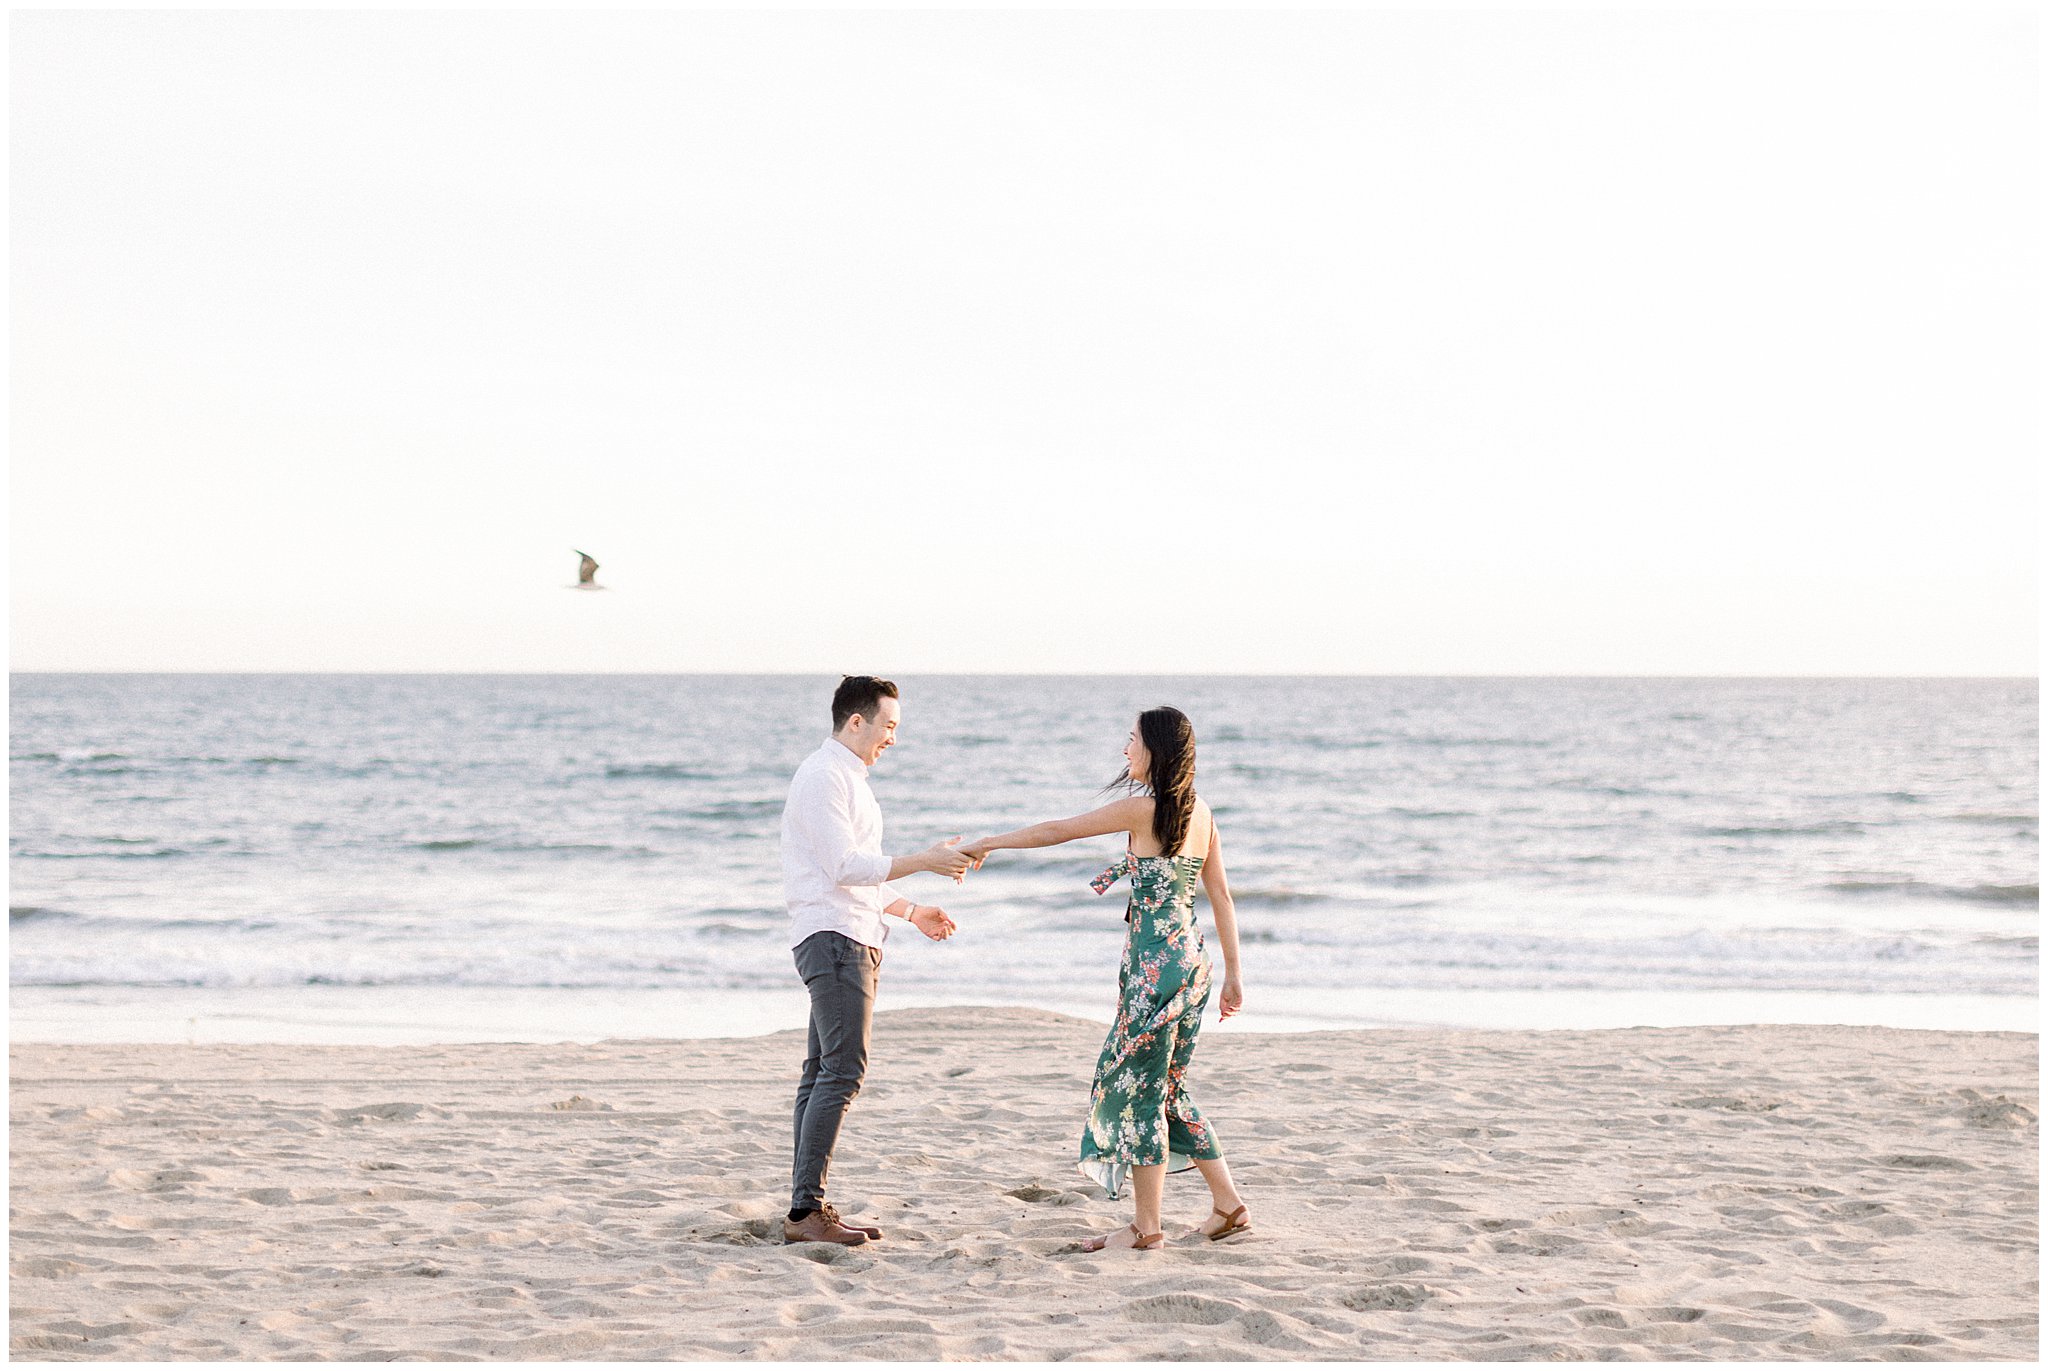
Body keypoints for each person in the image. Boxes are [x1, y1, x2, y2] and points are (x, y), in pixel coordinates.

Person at [963, 705, 1249, 1252]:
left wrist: (988, 841)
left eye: (1132, 739)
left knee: (1139, 1089)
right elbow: (1222, 896)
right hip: (1192, 964)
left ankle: (1147, 1229)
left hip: (1153, 969)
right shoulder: (1203, 813)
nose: (1125, 749)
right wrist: (1234, 974)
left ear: (1156, 750)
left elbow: (1057, 831)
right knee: (1167, 1087)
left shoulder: (1144, 810)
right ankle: (1229, 1206)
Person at [780, 674, 974, 1246]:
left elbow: (854, 877)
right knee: (842, 1071)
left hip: (849, 932)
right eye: (888, 726)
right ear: (856, 721)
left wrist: (910, 911)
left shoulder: (848, 779)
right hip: (835, 940)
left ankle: (805, 1207)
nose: (893, 738)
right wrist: (926, 859)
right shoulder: (823, 776)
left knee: (823, 1073)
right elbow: (844, 867)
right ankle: (805, 1213)